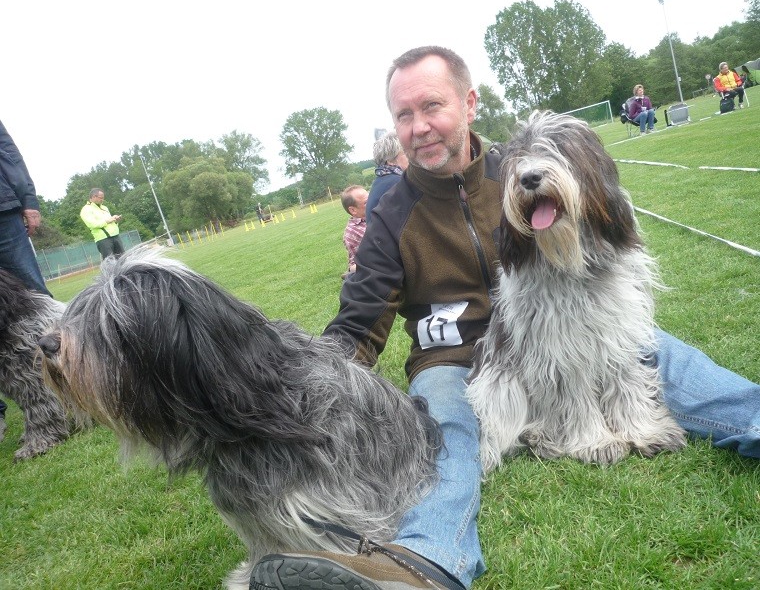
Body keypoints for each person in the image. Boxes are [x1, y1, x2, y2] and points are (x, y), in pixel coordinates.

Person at [250, 46, 760, 590]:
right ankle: (423, 565)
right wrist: (296, 397)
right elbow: (358, 322)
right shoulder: (390, 212)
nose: (419, 127)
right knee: (450, 432)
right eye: (404, 115)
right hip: (456, 357)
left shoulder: (521, 165)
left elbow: (605, 231)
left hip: (571, 317)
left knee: (672, 361)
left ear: (468, 103)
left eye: (432, 107)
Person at [0, 118, 54, 439]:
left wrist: (28, 200)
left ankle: (78, 379)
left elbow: (7, 152)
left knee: (37, 300)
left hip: (2, 212)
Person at [365, 130, 409, 223]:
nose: (412, 155)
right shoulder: (397, 184)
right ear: (390, 160)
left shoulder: (383, 180)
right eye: (405, 152)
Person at [80, 188, 124, 259]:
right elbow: (92, 224)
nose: (102, 200)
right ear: (94, 197)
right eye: (101, 198)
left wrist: (115, 219)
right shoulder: (86, 209)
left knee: (123, 260)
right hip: (103, 239)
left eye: (103, 198)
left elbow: (109, 221)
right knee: (110, 263)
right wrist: (107, 221)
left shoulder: (104, 207)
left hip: (116, 236)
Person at [339, 184, 369, 278]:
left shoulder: (376, 214)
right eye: (366, 202)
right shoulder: (352, 232)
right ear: (353, 210)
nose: (373, 201)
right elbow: (355, 264)